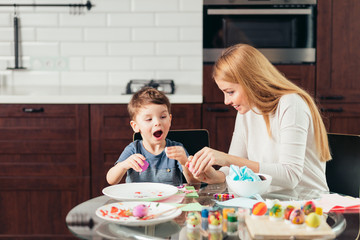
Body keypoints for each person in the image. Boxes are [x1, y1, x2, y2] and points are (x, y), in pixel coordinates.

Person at [189, 44, 331, 192]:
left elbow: (291, 175)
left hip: (309, 205)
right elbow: (235, 168)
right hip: (271, 203)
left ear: (250, 82)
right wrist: (217, 175)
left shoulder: (291, 104)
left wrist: (226, 159)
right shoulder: (247, 110)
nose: (226, 101)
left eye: (230, 92)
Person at [106, 87, 198, 186]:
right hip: (139, 200)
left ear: (170, 120)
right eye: (149, 119)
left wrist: (184, 162)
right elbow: (111, 180)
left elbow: (195, 183)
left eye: (163, 117)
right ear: (135, 126)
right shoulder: (133, 149)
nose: (157, 123)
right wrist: (123, 165)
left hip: (170, 201)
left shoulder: (177, 150)